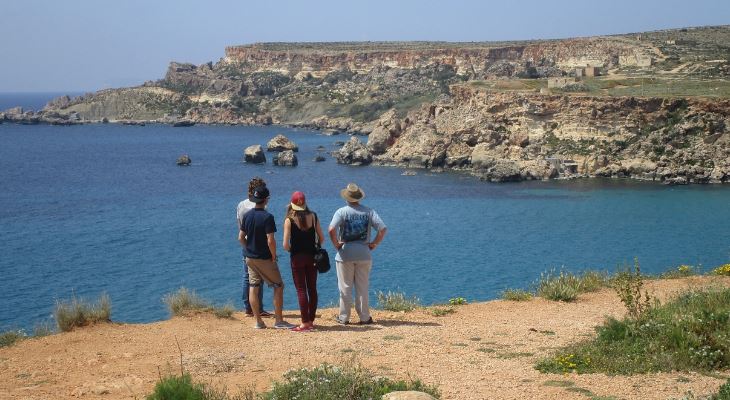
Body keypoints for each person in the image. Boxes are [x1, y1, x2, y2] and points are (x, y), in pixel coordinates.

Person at [328, 183, 387, 325]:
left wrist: (336, 244)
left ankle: (344, 317)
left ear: (346, 197)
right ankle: (365, 317)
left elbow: (331, 229)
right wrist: (374, 243)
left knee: (345, 287)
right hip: (364, 254)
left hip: (345, 254)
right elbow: (383, 229)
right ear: (359, 197)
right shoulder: (369, 212)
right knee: (362, 287)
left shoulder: (341, 212)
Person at [239, 185, 295, 330]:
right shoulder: (267, 217)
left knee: (254, 286)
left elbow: (240, 238)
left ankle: (258, 322)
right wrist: (273, 255)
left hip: (249, 258)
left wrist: (248, 249)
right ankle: (279, 321)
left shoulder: (247, 216)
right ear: (266, 200)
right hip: (264, 258)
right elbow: (270, 240)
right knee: (278, 286)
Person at [282, 191, 325, 332]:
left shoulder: (289, 220)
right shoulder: (313, 216)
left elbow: (285, 245)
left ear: (292, 204)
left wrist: (292, 251)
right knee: (312, 288)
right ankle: (311, 320)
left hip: (297, 258)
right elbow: (322, 238)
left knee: (301, 289)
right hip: (312, 257)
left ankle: (304, 323)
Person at [236, 177, 270, 317]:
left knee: (246, 276)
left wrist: (245, 245)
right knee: (259, 278)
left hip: (246, 243)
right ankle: (259, 308)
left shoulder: (241, 205)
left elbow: (240, 226)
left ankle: (247, 307)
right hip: (259, 245)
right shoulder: (261, 206)